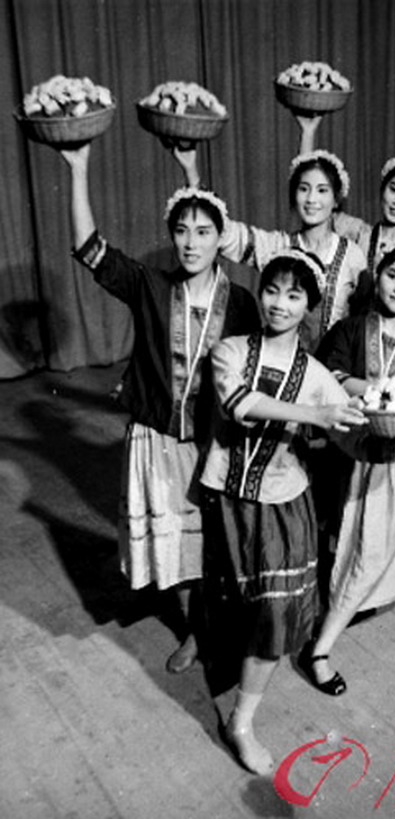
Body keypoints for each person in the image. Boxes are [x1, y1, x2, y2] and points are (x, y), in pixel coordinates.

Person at [60, 143, 260, 673]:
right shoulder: (150, 285)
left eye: (204, 232)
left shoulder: (241, 303)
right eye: (182, 231)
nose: (191, 243)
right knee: (175, 546)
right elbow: (89, 249)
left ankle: (217, 625)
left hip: (213, 443)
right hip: (156, 440)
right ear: (171, 236)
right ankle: (194, 631)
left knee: (215, 545)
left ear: (221, 238)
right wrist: (79, 168)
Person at [198, 250, 367, 775]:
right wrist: (316, 414)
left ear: (308, 306)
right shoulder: (228, 351)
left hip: (284, 502)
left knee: (274, 615)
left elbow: (351, 430)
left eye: (294, 295)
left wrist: (382, 425)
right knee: (230, 602)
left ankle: (241, 722)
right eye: (272, 290)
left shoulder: (315, 374)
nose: (279, 303)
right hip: (228, 497)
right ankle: (197, 644)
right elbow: (240, 405)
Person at [299, 239, 395, 694]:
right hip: (357, 451)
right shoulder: (349, 329)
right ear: (376, 276)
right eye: (392, 275)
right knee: (361, 546)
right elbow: (329, 375)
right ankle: (320, 646)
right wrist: (391, 389)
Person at [174, 135, 367, 352]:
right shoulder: (278, 247)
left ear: (336, 199)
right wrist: (191, 172)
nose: (311, 199)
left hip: (333, 366)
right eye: (304, 189)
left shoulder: (353, 256)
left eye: (322, 190)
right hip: (276, 361)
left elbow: (363, 322)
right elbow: (223, 232)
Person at [297, 114, 395, 278]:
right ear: (382, 189)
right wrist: (308, 133)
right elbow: (312, 194)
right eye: (394, 190)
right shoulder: (355, 232)